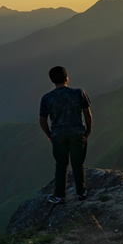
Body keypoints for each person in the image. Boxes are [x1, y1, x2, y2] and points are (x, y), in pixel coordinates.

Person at [39, 66, 92, 204]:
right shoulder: (78, 93)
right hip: (77, 133)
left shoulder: (47, 98)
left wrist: (50, 134)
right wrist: (88, 131)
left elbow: (43, 120)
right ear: (66, 78)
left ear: (52, 80)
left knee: (61, 165)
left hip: (58, 135)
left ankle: (59, 196)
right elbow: (87, 114)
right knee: (77, 164)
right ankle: (81, 193)